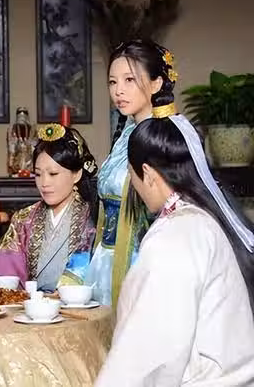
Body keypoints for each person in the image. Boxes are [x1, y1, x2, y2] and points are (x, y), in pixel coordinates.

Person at [95, 89, 254, 384]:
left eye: (131, 175)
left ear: (147, 173)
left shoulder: (175, 237)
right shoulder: (199, 220)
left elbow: (153, 355)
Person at [86, 39, 173, 306]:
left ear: (156, 84)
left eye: (129, 80)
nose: (118, 90)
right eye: (113, 82)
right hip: (106, 258)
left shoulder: (162, 138)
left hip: (140, 260)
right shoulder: (126, 134)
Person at [0, 124, 98, 291]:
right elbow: (0, 270)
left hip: (77, 304)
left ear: (76, 174)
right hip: (32, 304)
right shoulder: (24, 219)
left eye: (53, 174)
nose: (44, 183)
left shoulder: (94, 218)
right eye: (38, 174)